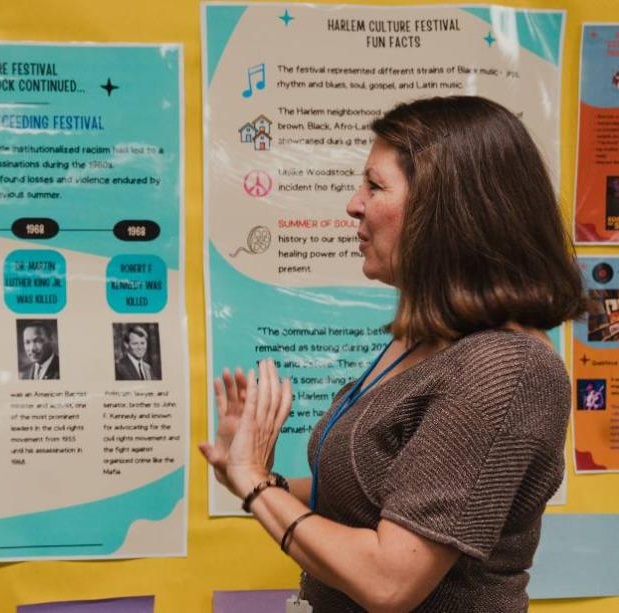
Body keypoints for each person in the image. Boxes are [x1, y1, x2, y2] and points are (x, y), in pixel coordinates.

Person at [200, 96, 586, 612]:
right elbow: (378, 494)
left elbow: (390, 582)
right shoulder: (427, 340)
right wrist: (253, 473)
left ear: (446, 210)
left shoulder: (507, 370)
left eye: (375, 186)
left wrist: (253, 486)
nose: (353, 204)